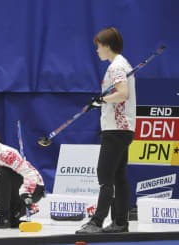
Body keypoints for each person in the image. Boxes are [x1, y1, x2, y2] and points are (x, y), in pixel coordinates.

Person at [76, 27, 136, 233]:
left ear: (108, 46)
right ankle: (120, 223)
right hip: (123, 129)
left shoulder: (116, 67)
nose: (97, 50)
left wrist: (101, 99)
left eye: (99, 46)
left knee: (105, 175)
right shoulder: (122, 64)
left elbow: (123, 93)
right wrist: (101, 101)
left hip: (116, 129)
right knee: (118, 176)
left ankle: (96, 222)